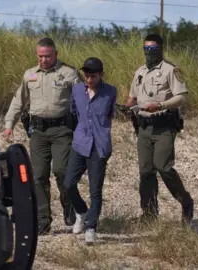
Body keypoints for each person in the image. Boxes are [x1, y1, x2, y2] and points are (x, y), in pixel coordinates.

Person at [3, 37, 80, 235]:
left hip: (62, 130)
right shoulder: (30, 75)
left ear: (56, 54)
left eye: (47, 56)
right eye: (40, 56)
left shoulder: (69, 73)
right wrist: (8, 125)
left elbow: (82, 101)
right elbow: (18, 101)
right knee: (38, 176)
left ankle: (68, 204)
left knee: (62, 171)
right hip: (38, 132)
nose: (43, 60)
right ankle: (43, 220)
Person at [123, 33, 194, 225]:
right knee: (146, 171)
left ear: (161, 49)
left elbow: (182, 96)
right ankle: (149, 213)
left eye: (152, 49)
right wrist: (125, 107)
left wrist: (161, 105)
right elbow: (133, 98)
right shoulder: (140, 71)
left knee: (163, 166)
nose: (148, 53)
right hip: (144, 128)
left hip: (164, 126)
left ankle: (185, 201)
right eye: (145, 49)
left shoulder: (171, 70)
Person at [63, 57, 117, 244]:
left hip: (99, 146)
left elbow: (109, 114)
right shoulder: (77, 90)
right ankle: (81, 212)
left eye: (93, 76)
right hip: (80, 143)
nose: (89, 79)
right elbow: (74, 113)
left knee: (96, 190)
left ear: (101, 74)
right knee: (68, 183)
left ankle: (91, 227)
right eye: (86, 76)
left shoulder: (110, 91)